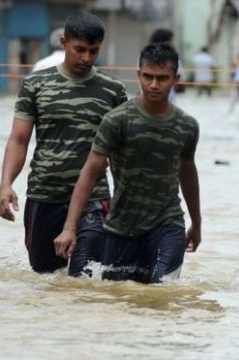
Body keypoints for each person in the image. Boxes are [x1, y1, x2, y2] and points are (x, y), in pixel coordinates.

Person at [53, 43, 201, 284]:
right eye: (148, 77)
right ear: (138, 76)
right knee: (119, 299)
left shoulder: (187, 125)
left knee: (164, 293)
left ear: (176, 79)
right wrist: (70, 227)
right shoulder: (117, 120)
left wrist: (197, 223)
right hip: (121, 228)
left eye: (162, 78)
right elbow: (90, 172)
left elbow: (188, 173)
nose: (154, 85)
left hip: (168, 224)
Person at [0, 12, 127, 276]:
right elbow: (19, 139)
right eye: (79, 49)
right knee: (46, 276)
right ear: (63, 42)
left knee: (85, 276)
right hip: (45, 195)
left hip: (95, 198)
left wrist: (125, 198)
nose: (86, 58)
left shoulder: (113, 90)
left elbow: (121, 151)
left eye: (93, 51)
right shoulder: (36, 84)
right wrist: (6, 184)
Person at [148, 28, 182, 103]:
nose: (172, 43)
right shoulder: (172, 56)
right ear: (166, 41)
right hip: (168, 97)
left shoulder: (144, 56)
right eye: (171, 40)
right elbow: (180, 75)